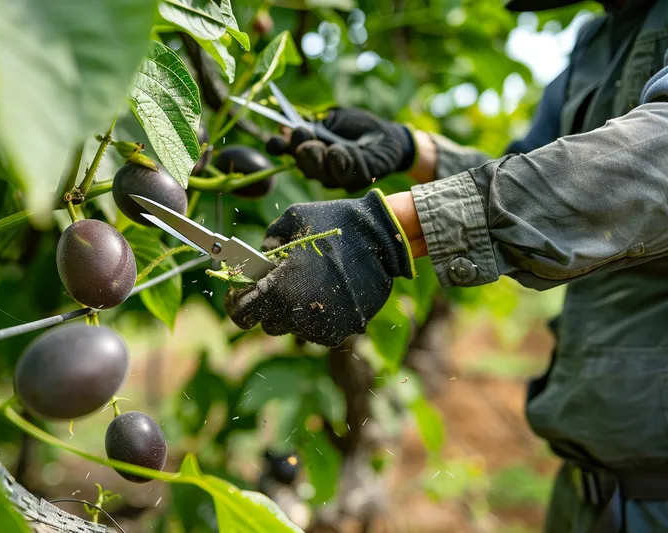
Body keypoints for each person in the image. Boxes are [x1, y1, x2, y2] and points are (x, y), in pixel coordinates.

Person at [224, 1, 668, 532]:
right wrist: (413, 150)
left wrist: (391, 229)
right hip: (592, 485)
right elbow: (537, 171)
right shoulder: (601, 40)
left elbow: (653, 162)